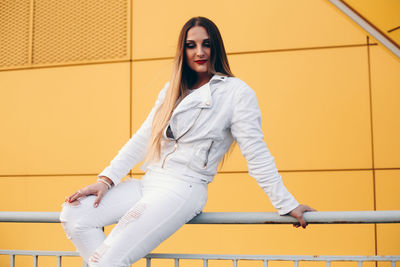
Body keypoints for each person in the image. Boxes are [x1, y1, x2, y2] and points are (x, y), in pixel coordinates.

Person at [60, 16, 315, 267]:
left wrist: (286, 204)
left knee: (106, 260)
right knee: (75, 214)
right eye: (191, 45)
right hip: (150, 181)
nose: (200, 52)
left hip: (183, 188)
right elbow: (142, 138)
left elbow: (256, 153)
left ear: (216, 47)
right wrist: (106, 180)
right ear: (183, 51)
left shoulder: (236, 93)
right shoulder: (172, 89)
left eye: (206, 44)